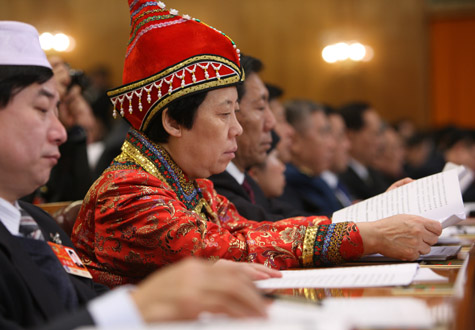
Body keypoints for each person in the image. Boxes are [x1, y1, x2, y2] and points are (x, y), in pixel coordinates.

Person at [72, 0, 442, 288]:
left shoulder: (186, 181)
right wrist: (366, 235)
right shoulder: (126, 194)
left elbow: (252, 231)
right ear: (172, 121)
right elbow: (231, 252)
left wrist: (367, 222)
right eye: (224, 114)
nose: (237, 129)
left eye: (237, 112)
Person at [0, 20, 277, 329]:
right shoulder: (126, 189)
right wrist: (138, 305)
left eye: (57, 111)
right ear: (173, 122)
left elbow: (88, 301)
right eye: (41, 109)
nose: (61, 132)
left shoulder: (36, 222)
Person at [210, 55, 306, 221]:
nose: (271, 123)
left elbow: (283, 215)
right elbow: (270, 229)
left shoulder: (244, 179)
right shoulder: (211, 185)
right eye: (260, 107)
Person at [279, 100, 340, 216]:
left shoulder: (317, 178)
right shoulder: (290, 185)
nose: (332, 145)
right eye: (323, 133)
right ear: (295, 141)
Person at [339, 102, 390, 200]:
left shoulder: (374, 173)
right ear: (351, 135)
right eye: (375, 134)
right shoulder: (341, 177)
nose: (380, 142)